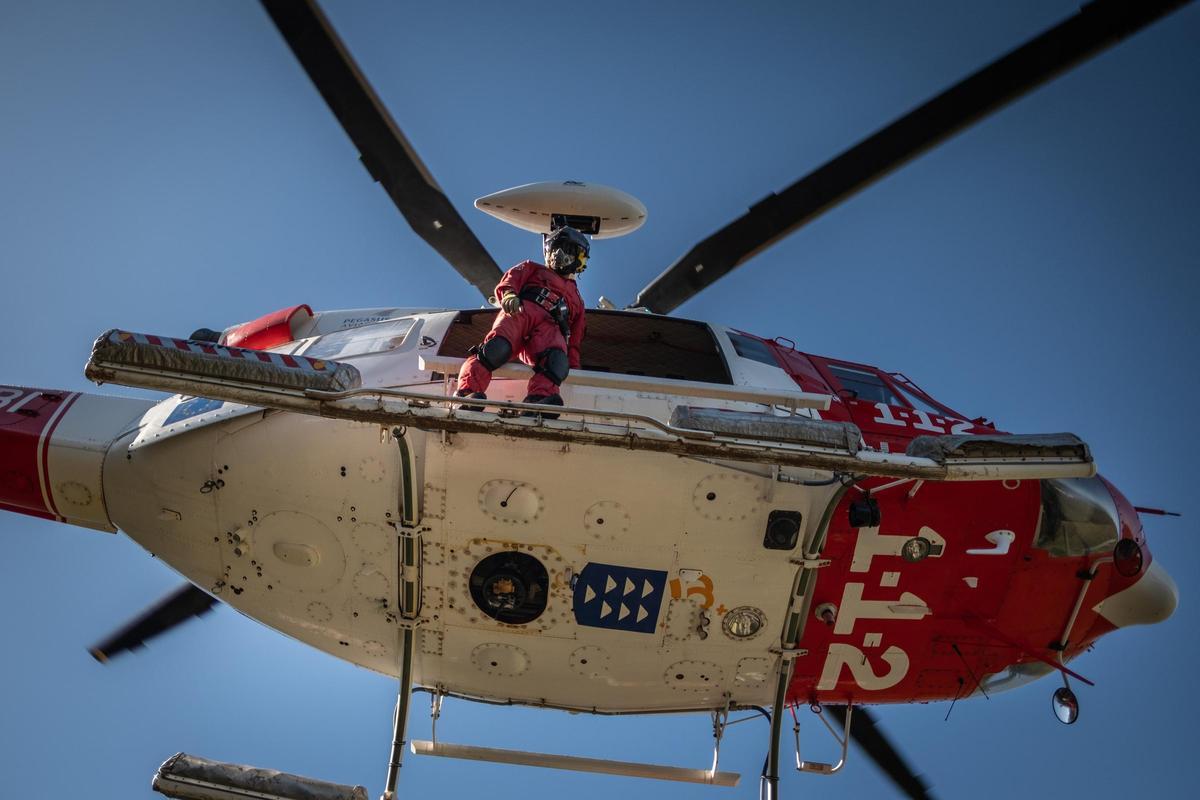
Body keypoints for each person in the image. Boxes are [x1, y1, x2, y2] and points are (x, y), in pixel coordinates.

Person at [455, 226, 589, 414]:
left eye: (567, 249)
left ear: (580, 258)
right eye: (556, 248)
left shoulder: (577, 300)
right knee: (495, 348)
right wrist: (509, 295)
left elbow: (574, 339)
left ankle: (538, 400)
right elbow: (510, 280)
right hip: (520, 311)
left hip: (550, 329)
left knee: (556, 362)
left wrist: (573, 368)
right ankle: (467, 392)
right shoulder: (532, 268)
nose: (559, 254)